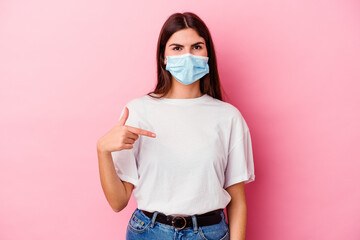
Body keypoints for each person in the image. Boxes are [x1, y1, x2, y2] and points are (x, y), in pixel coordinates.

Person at [97, 12, 255, 240]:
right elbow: (118, 201)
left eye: (197, 47)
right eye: (177, 48)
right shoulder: (138, 111)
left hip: (208, 233)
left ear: (208, 53)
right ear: (163, 56)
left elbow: (237, 201)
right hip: (148, 232)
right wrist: (102, 151)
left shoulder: (228, 117)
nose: (188, 55)